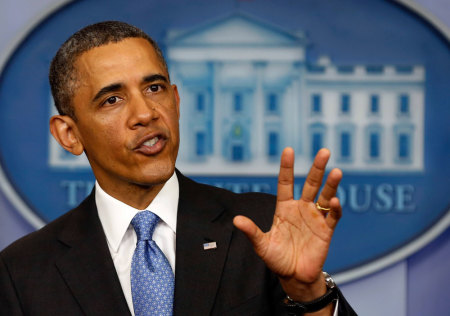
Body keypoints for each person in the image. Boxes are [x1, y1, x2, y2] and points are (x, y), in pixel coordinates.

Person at [0, 21, 356, 315]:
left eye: (154, 88)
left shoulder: (261, 227)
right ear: (69, 134)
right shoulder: (22, 272)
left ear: (176, 101)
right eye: (112, 99)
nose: (145, 114)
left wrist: (310, 293)